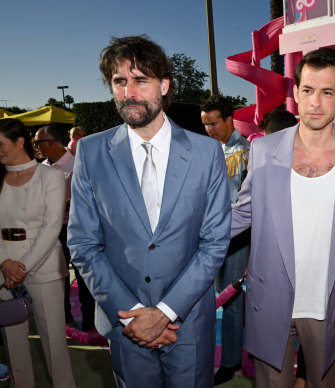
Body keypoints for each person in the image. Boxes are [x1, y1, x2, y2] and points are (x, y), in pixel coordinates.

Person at [67, 35, 231, 387]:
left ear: (164, 85)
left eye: (141, 80)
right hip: (125, 321)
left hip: (187, 321)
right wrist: (134, 316)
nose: (129, 92)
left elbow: (215, 242)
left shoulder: (207, 153)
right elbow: (83, 244)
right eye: (120, 81)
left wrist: (166, 312)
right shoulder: (91, 153)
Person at [231, 47, 335, 387]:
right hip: (271, 299)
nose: (315, 102)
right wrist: (184, 235)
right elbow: (242, 214)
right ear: (295, 94)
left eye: (327, 92)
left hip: (331, 303)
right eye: (308, 90)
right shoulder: (264, 149)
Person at [0, 118, 76, 388]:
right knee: (13, 344)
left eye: (1, 144)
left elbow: (52, 226)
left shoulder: (52, 176)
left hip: (43, 266)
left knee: (53, 341)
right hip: (3, 269)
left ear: (20, 142)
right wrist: (5, 263)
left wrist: (21, 266)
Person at [200, 94, 250, 385]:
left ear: (230, 119)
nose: (209, 129)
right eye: (205, 124)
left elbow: (240, 206)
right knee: (216, 297)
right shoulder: (211, 149)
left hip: (234, 237)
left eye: (213, 123)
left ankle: (231, 361)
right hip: (210, 235)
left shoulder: (243, 152)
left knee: (230, 300)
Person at [34, 124, 96, 332]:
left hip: (75, 228)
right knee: (57, 275)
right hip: (51, 230)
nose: (35, 147)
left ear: (51, 142)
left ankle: (90, 322)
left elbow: (85, 198)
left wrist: (58, 202)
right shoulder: (42, 167)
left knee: (82, 276)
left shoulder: (76, 165)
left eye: (37, 142)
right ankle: (63, 316)